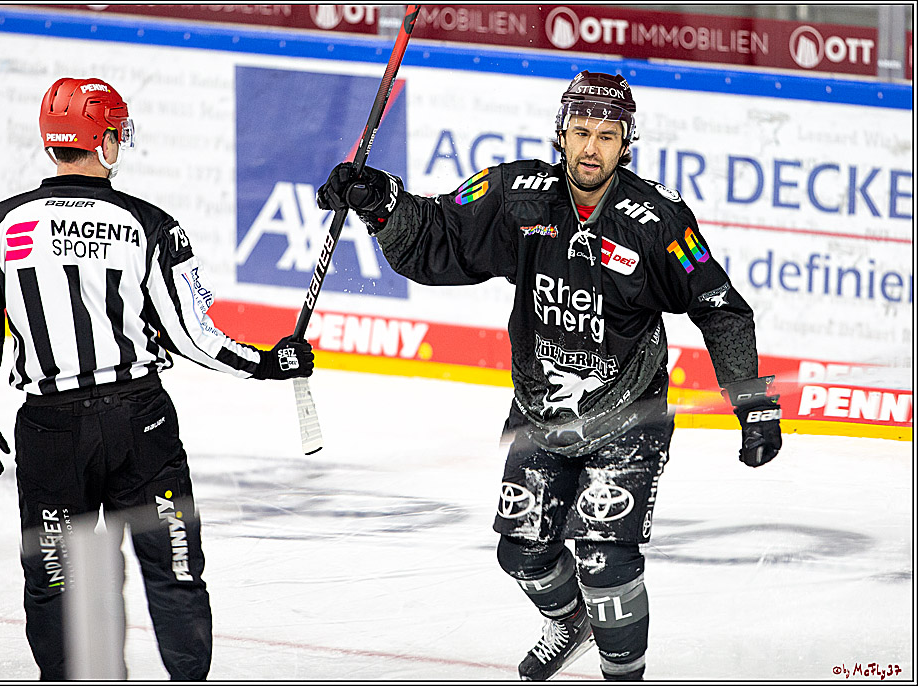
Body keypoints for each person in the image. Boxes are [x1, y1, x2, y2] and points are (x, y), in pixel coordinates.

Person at [316, 71, 782, 681]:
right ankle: (569, 622)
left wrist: (752, 402)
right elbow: (438, 236)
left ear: (626, 143)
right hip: (541, 413)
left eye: (607, 136)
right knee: (523, 553)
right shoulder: (516, 195)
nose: (591, 148)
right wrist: (380, 202)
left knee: (605, 563)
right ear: (560, 133)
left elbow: (718, 307)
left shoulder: (658, 220)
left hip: (628, 416)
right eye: (581, 131)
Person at [0, 77, 315, 680]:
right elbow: (193, 336)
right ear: (104, 139)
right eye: (117, 132)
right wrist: (266, 362)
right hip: (139, 425)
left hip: (49, 433)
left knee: (55, 580)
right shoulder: (150, 225)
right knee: (174, 569)